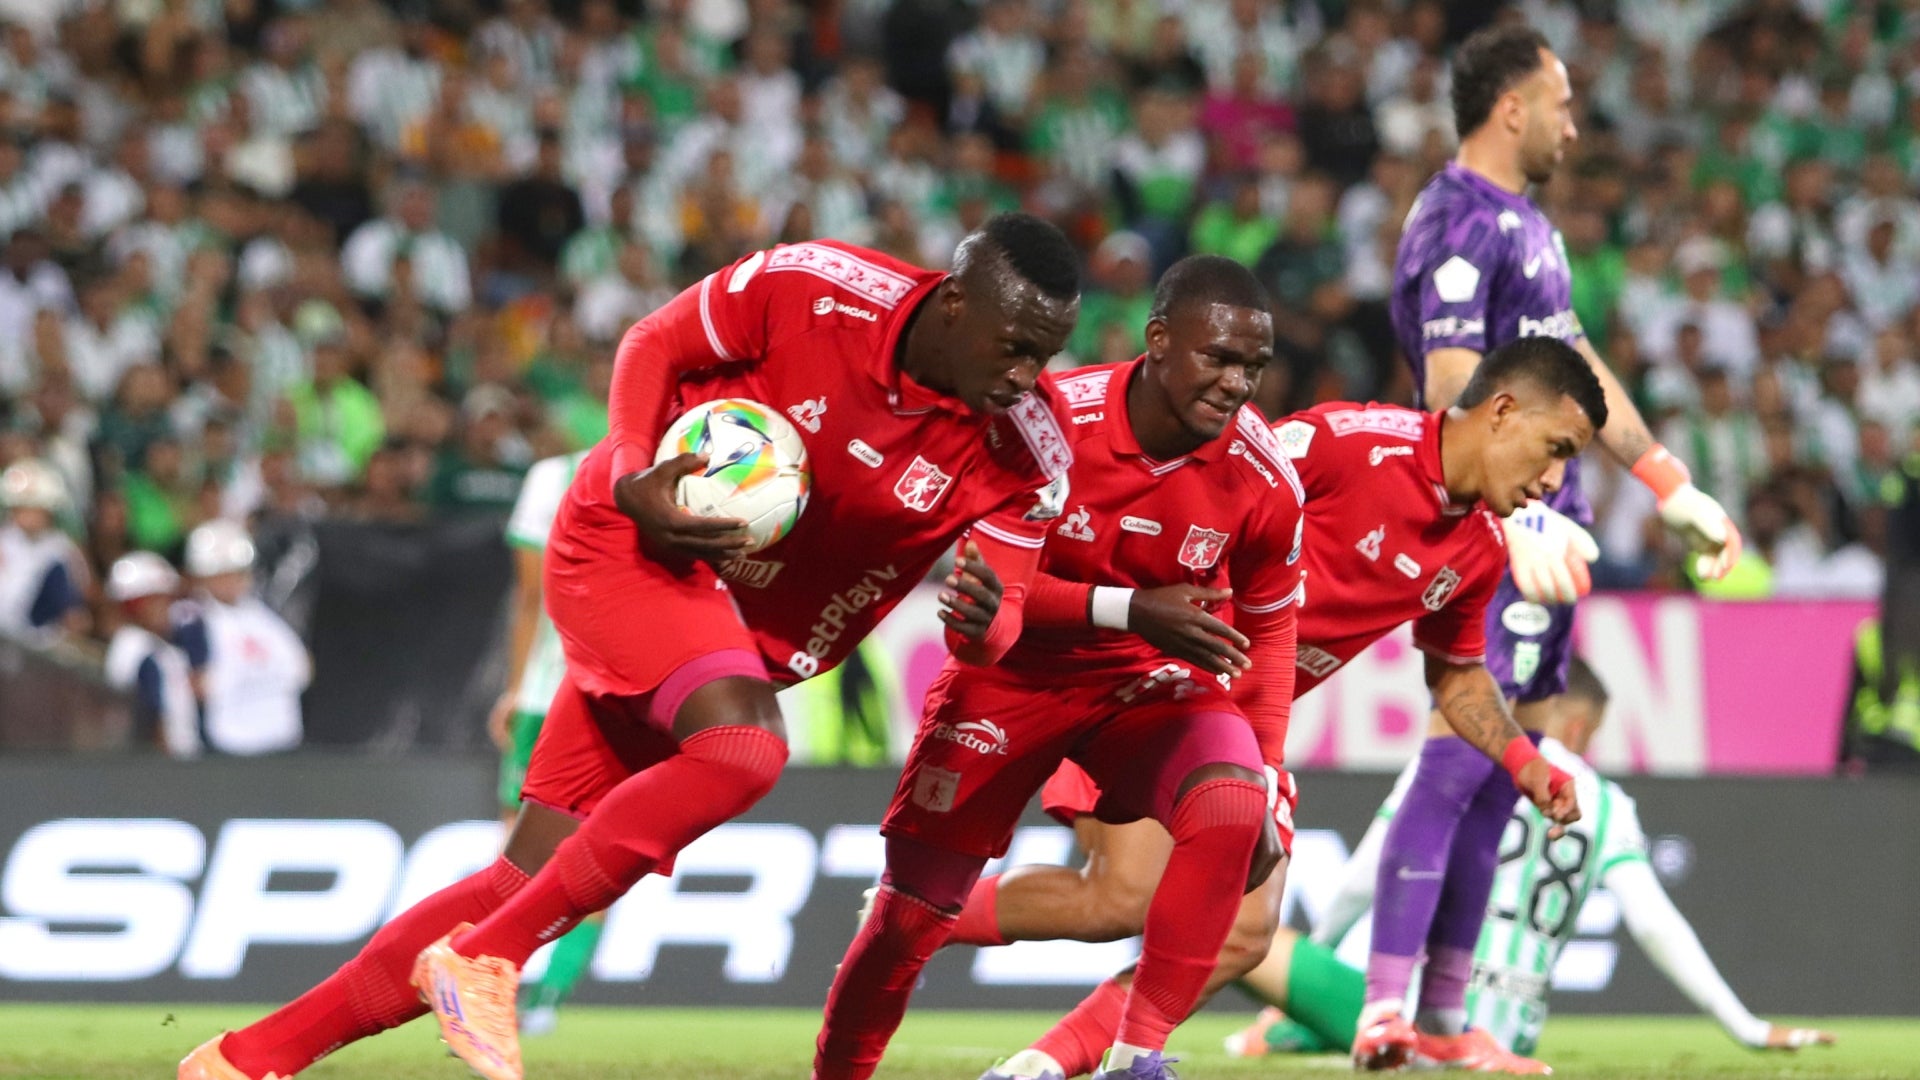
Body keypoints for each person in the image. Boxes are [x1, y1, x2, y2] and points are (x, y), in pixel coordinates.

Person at [180, 213, 1083, 1080]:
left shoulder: (1030, 449)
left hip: (734, 633)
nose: (1027, 374)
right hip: (632, 541)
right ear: (956, 302)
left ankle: (246, 1058)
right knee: (745, 749)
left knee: (520, 874)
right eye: (1014, 346)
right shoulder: (816, 286)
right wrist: (627, 469)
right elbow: (655, 342)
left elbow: (1000, 617)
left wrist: (984, 622)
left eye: (1045, 354)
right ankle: (486, 962)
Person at [958, 335, 1600, 1080]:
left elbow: (1456, 675)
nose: (1555, 480)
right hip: (1154, 679)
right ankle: (915, 912)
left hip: (1246, 723)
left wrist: (1523, 762)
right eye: (1555, 448)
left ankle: (1042, 1063)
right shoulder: (1348, 444)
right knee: (1121, 899)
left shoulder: (1480, 549)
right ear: (1503, 411)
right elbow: (1209, 480)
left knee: (1240, 934)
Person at [814, 256, 1305, 1080]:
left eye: (1253, 366)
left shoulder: (1264, 478)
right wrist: (1129, 608)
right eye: (1217, 357)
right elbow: (993, 592)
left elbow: (1272, 633)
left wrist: (1271, 772)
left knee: (1231, 798)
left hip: (1146, 683)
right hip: (1013, 675)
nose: (1237, 384)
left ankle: (1135, 1058)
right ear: (1158, 341)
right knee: (909, 918)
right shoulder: (1048, 426)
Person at [1373, 23, 1741, 1070]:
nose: (1576, 124)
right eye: (1563, 102)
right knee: (1456, 763)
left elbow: (1575, 367)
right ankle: (1385, 1012)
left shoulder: (1530, 227)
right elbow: (1450, 390)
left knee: (1507, 776)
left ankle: (1443, 1027)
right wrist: (1514, 513)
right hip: (1500, 535)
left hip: (1551, 529)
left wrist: (1670, 482)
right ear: (1512, 108)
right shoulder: (1454, 220)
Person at [1224, 659, 1838, 1061]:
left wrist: (1308, 969)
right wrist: (1747, 1027)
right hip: (1510, 1033)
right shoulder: (1609, 805)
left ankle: (1285, 1029)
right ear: (1573, 726)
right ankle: (1291, 1036)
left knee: (1236, 928)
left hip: (1417, 1018)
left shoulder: (1453, 758)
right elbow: (1656, 923)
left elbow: (1361, 883)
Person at [486, 448, 600, 1036]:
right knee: (599, 856)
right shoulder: (679, 463)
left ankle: (523, 989)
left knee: (526, 852)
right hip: (600, 696)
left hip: (557, 694)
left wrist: (513, 690)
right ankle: (528, 992)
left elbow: (531, 598)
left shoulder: (553, 476)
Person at [172, 520, 311, 756]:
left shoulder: (262, 614)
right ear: (200, 577)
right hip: (227, 746)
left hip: (280, 742)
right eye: (221, 574)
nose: (232, 581)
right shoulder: (193, 619)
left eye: (237, 573)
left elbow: (304, 668)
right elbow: (194, 684)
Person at [102, 551, 199, 759]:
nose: (165, 609)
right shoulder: (137, 648)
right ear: (132, 606)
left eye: (167, 601)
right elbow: (150, 721)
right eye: (155, 601)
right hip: (162, 769)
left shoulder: (155, 646)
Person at [0, 458, 86, 644]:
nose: (29, 515)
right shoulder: (4, 541)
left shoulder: (61, 550)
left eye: (35, 507)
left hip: (40, 645)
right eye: (23, 507)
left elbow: (73, 612)